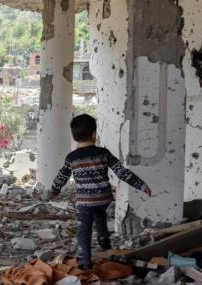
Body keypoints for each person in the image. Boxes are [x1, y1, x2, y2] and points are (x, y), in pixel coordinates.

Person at [50, 114, 151, 270]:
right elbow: (121, 172)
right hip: (103, 199)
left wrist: (55, 190)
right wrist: (141, 185)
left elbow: (61, 176)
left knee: (84, 229)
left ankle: (85, 261)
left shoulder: (72, 158)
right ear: (94, 135)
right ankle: (105, 243)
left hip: (84, 202)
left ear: (74, 136)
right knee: (100, 217)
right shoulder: (104, 153)